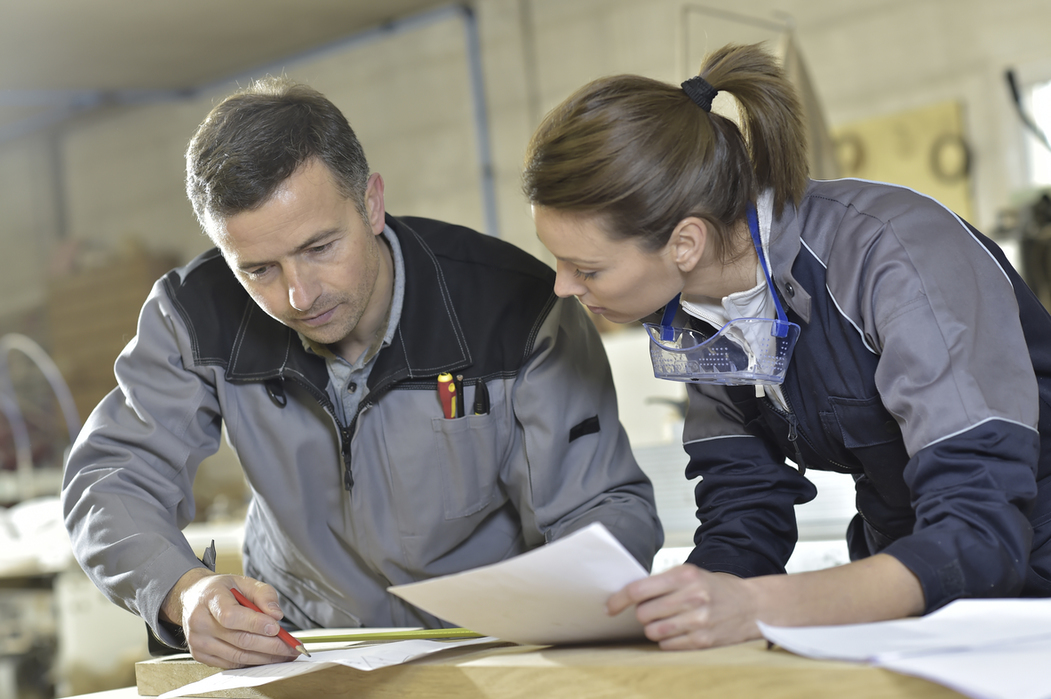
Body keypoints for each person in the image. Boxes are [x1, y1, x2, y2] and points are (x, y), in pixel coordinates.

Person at [61, 76, 663, 669]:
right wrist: (182, 589)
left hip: (484, 647)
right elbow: (111, 479)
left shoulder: (519, 309)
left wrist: (568, 627)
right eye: (258, 270)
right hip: (299, 649)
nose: (299, 295)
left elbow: (599, 508)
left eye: (320, 247)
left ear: (372, 203)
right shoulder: (192, 313)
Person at [523, 42, 1051, 650]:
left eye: (586, 268)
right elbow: (744, 505)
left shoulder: (893, 258)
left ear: (685, 242)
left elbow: (980, 529)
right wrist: (684, 613)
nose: (563, 286)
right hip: (909, 594)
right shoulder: (696, 312)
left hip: (1025, 580)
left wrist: (761, 606)